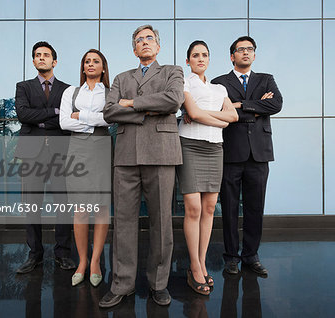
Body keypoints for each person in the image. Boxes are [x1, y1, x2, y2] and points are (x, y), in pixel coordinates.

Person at [98, 25, 184, 308]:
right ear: (134, 49)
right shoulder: (122, 77)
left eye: (149, 39)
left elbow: (173, 100)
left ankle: (159, 284)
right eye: (139, 40)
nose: (144, 42)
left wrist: (133, 103)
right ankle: (122, 284)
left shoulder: (172, 72)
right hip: (125, 156)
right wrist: (148, 109)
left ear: (157, 47)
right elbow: (110, 111)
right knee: (123, 223)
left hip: (161, 153)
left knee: (161, 222)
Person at [211, 36, 282, 276]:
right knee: (229, 208)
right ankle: (231, 256)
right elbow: (219, 112)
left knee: (255, 208)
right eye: (241, 50)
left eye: (250, 49)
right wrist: (256, 107)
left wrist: (239, 105)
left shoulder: (266, 79)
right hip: (230, 152)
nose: (246, 53)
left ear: (254, 54)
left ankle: (251, 255)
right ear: (232, 56)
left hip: (259, 154)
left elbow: (276, 105)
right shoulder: (219, 83)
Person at [177, 40, 238, 295]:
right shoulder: (184, 82)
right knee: (193, 208)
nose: (200, 59)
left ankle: (201, 262)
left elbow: (233, 117)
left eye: (204, 55)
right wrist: (216, 118)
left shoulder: (220, 87)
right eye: (195, 55)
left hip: (215, 148)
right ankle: (193, 264)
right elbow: (192, 111)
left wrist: (205, 115)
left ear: (209, 59)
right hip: (190, 145)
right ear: (188, 60)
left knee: (210, 207)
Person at [15, 41, 75, 274]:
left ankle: (62, 253)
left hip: (61, 151)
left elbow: (67, 119)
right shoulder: (23, 87)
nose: (41, 58)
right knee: (31, 205)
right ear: (33, 61)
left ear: (54, 61)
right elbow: (22, 114)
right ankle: (35, 255)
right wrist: (53, 112)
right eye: (37, 55)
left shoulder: (67, 90)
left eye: (46, 55)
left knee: (63, 204)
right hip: (31, 153)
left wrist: (39, 118)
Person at [59, 49, 111, 287]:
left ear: (103, 67)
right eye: (87, 61)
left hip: (101, 150)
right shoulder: (71, 91)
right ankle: (82, 261)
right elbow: (64, 121)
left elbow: (110, 119)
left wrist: (81, 116)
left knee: (100, 208)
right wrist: (93, 120)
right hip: (77, 150)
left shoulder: (110, 93)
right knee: (80, 209)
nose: (91, 64)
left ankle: (96, 261)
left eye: (96, 61)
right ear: (82, 67)